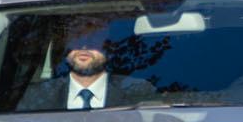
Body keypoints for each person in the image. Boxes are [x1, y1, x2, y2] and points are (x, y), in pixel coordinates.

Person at [18, 19, 157, 110]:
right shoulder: (36, 97)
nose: (84, 46)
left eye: (94, 39)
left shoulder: (138, 91)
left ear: (109, 47)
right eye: (77, 38)